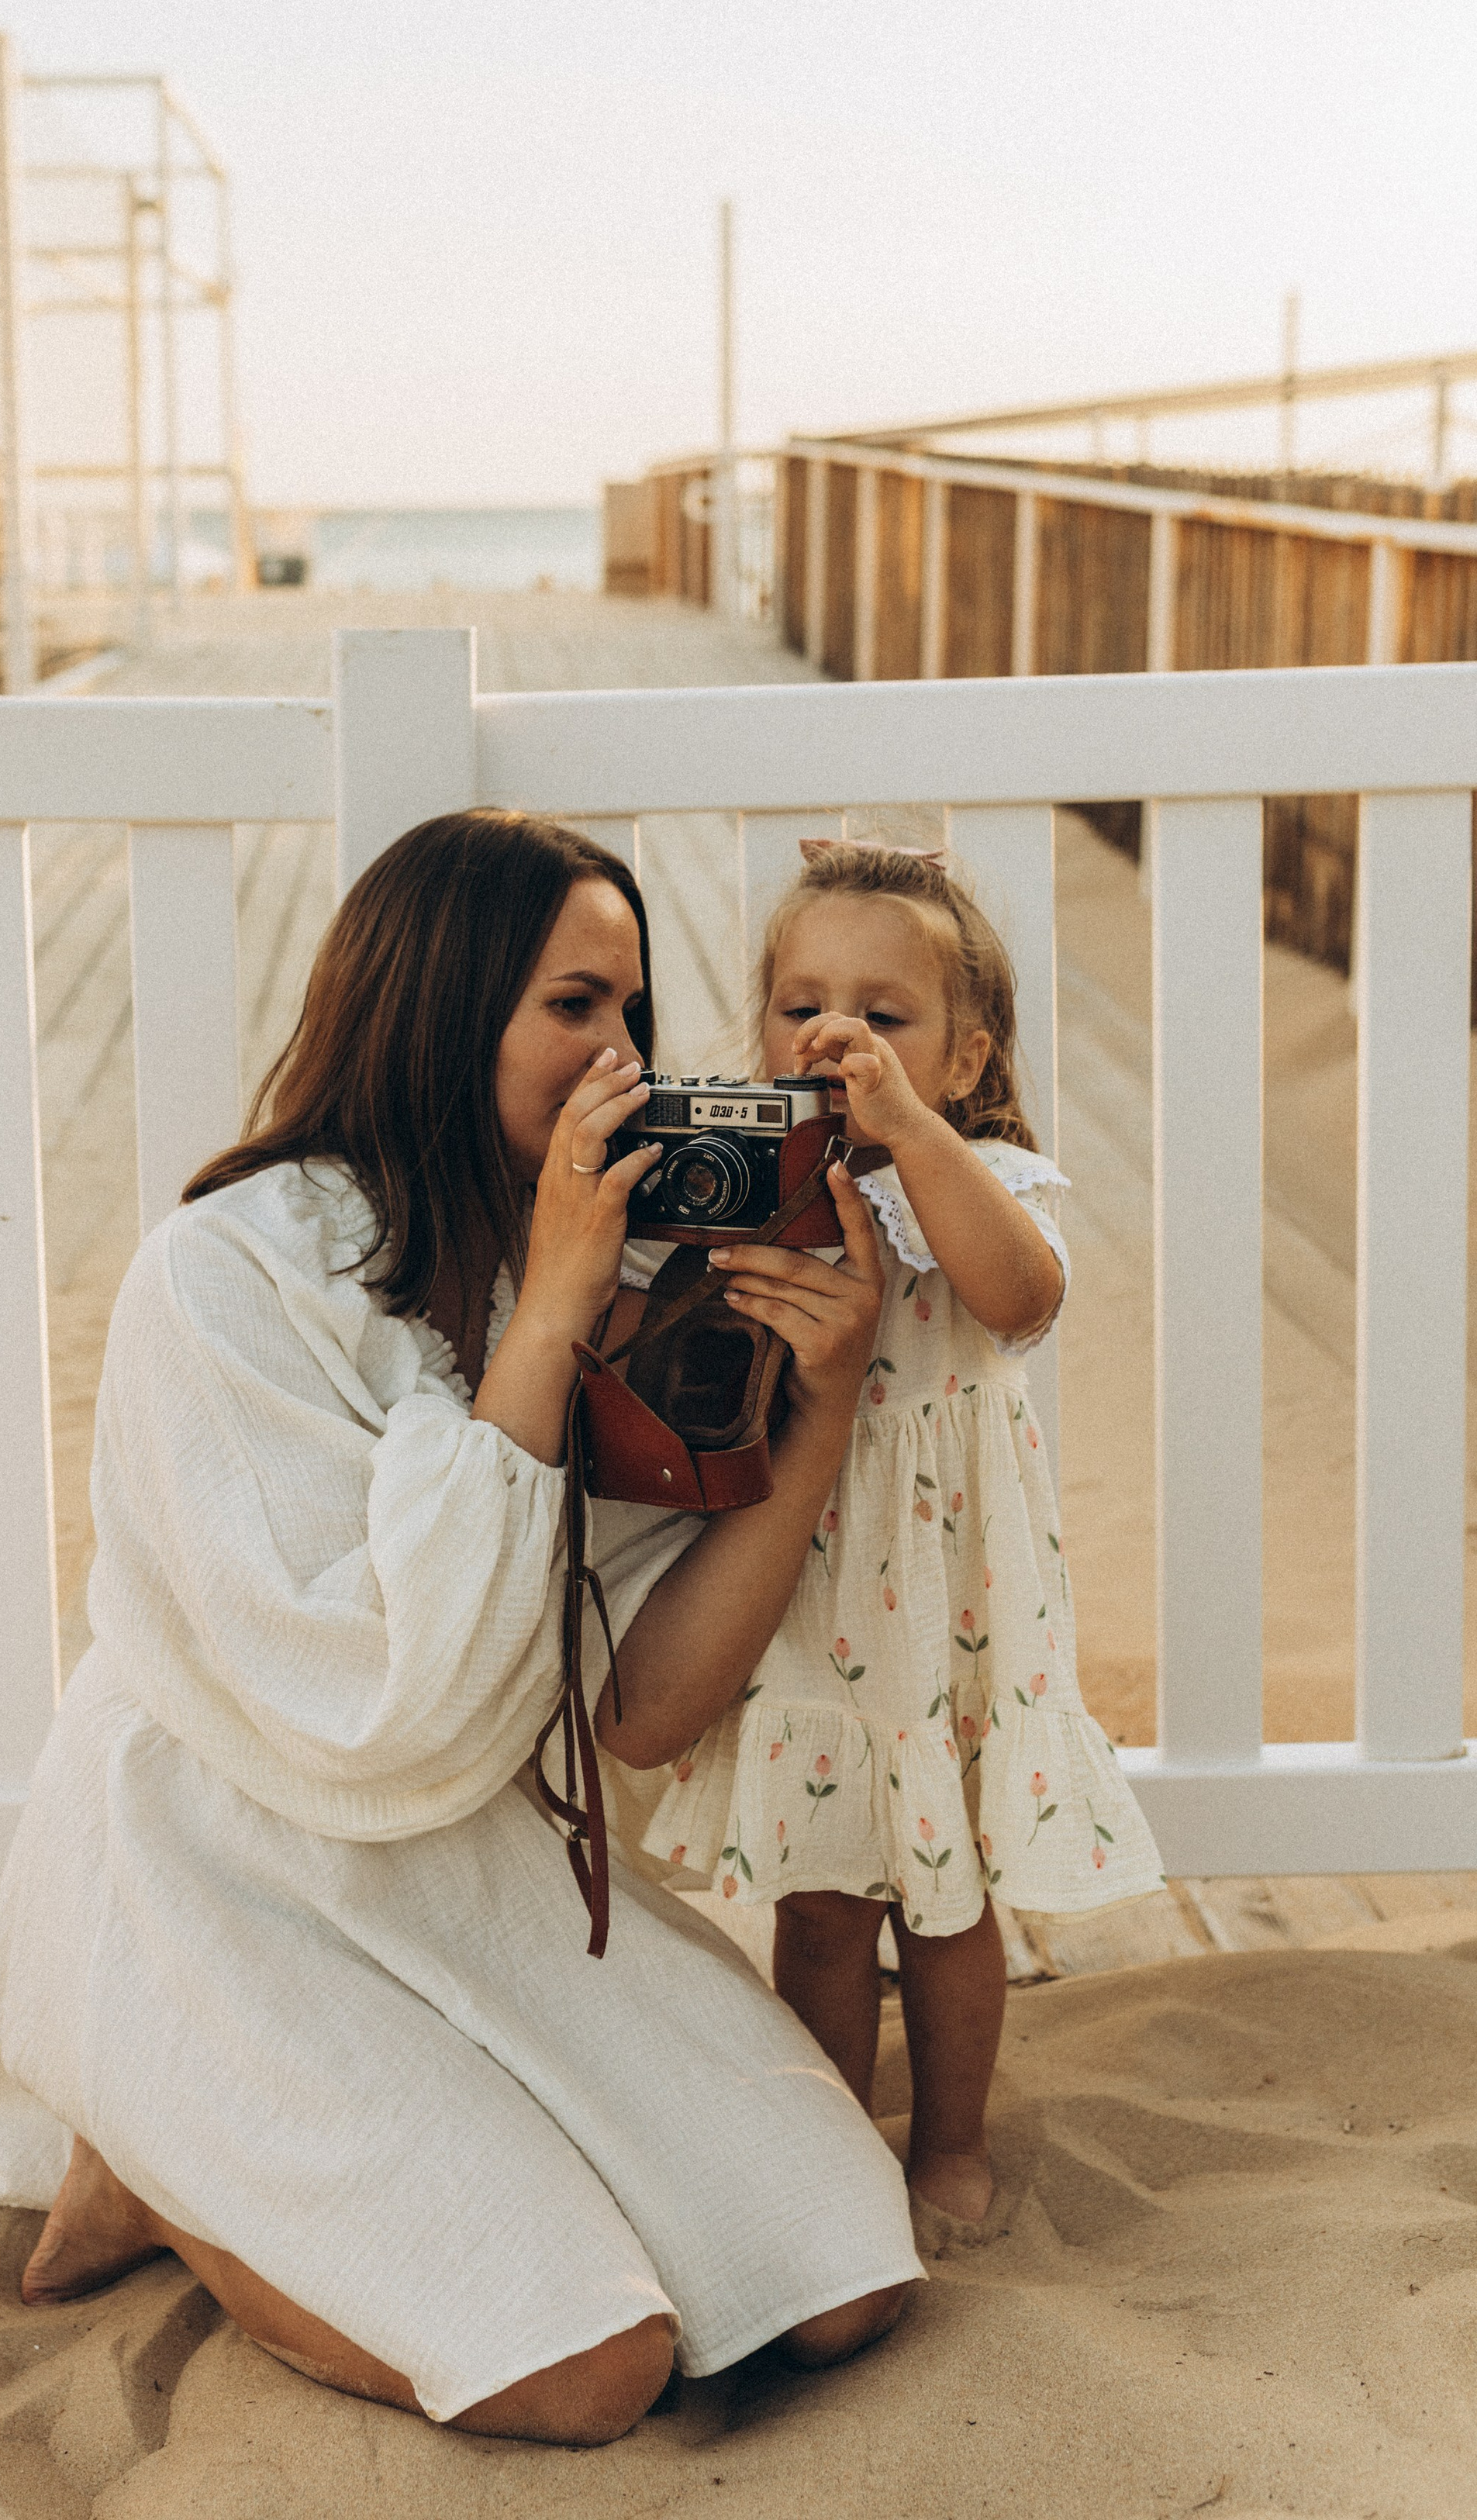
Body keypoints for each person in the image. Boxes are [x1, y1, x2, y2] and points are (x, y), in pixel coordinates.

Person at [0, 810, 921, 2445]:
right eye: (570, 1006)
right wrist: (546, 1312)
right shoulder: (226, 1274)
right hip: (224, 1853)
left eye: (632, 1011)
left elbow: (646, 1712)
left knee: (835, 2278)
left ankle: (258, 2151)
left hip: (470, 1857)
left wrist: (817, 1408)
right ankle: (161, 2167)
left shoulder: (635, 1260)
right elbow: (375, 1713)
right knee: (578, 2369)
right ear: (445, 1005)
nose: (619, 1052)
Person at [626, 839, 1164, 2242]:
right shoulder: (767, 1186)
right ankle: (830, 2134)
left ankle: (951, 2139)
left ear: (970, 1058)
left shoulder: (983, 1177)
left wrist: (912, 1135)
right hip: (806, 1589)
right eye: (801, 1002)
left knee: (949, 1893)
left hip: (948, 1597)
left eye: (885, 1012)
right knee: (820, 1897)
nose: (836, 1034)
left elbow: (1020, 1296)